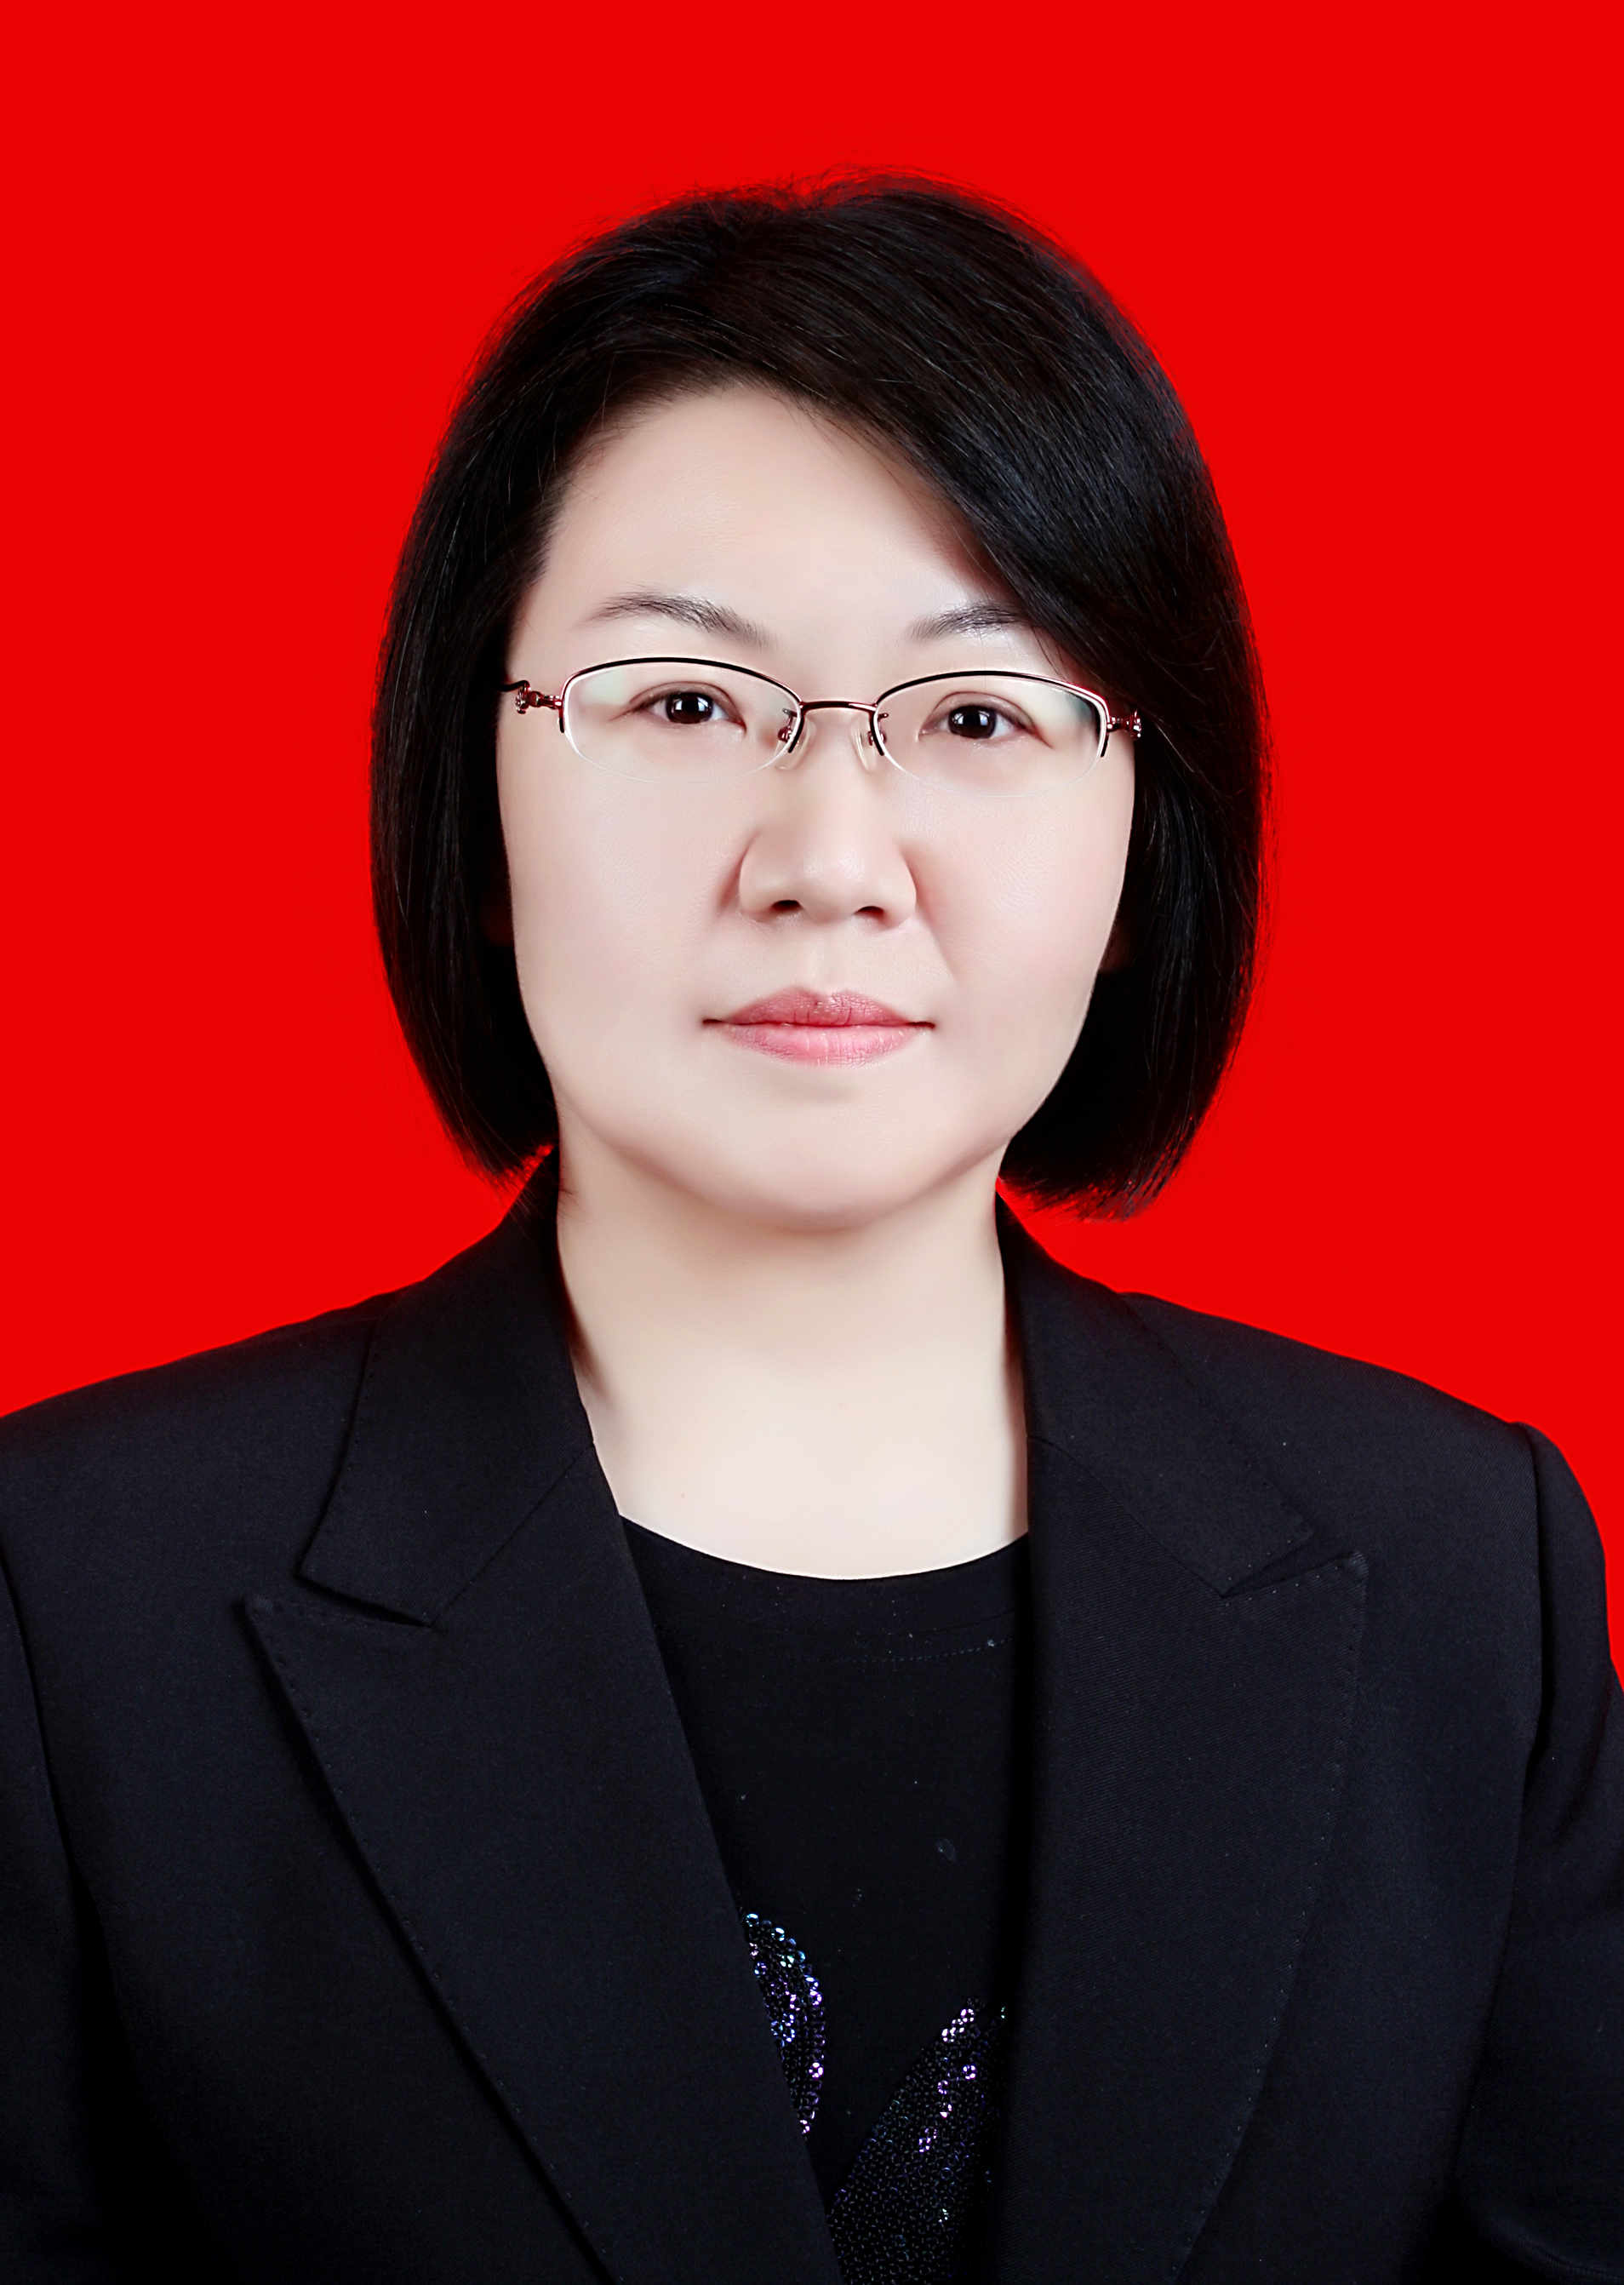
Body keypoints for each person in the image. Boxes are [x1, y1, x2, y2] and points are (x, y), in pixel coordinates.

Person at [0, 178, 1619, 2285]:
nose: (831, 858)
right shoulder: (75, 1602)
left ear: (1145, 839)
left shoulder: (1461, 1581)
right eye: (684, 703)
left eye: (978, 717)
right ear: (474, 802)